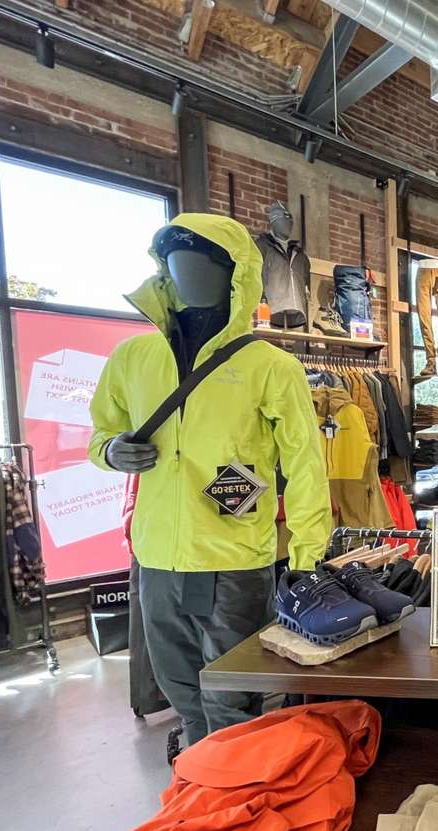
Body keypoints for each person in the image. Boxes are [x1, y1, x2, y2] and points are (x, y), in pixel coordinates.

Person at [89, 214, 330, 749]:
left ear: (237, 275)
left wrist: (309, 555)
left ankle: (233, 792)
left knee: (233, 696)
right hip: (157, 558)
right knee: (181, 690)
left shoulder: (271, 367)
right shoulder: (132, 358)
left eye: (204, 265)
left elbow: (306, 465)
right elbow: (101, 432)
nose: (188, 276)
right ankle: (203, 785)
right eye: (177, 265)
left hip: (233, 558)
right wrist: (111, 450)